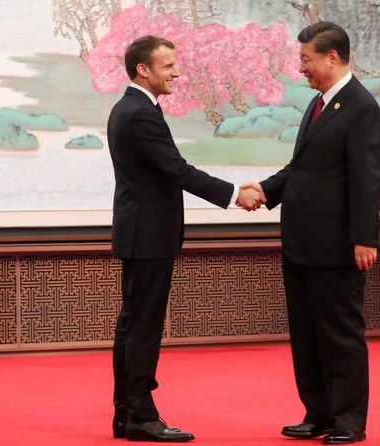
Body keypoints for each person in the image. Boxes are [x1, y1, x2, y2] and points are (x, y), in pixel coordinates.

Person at [107, 35, 264, 442]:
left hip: (142, 233)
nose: (177, 72)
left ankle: (126, 413)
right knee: (142, 327)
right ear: (143, 69)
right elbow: (177, 169)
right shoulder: (139, 112)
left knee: (132, 325)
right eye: (168, 66)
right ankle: (141, 416)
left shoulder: (132, 108)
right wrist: (235, 194)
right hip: (148, 235)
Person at [242, 22, 380, 445]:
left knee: (339, 334)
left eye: (306, 59)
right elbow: (302, 169)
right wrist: (265, 190)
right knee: (306, 334)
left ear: (332, 57)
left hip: (337, 245)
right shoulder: (318, 104)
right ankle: (318, 413)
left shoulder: (361, 108)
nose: (301, 67)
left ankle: (349, 420)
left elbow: (368, 180)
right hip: (301, 243)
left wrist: (365, 237)